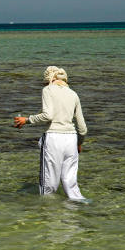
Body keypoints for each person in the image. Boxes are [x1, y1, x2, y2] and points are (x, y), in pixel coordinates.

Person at [14, 66, 89, 202]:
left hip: (54, 139)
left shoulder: (47, 90)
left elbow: (48, 115)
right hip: (71, 139)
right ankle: (79, 210)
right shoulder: (73, 94)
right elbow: (83, 129)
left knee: (48, 186)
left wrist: (27, 120)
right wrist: (79, 143)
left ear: (50, 79)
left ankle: (48, 216)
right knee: (71, 186)